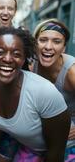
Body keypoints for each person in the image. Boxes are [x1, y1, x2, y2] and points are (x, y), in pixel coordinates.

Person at [0, 27, 71, 161]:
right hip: (23, 141)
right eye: (0, 52)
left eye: (16, 54)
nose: (7, 59)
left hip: (62, 149)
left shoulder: (43, 91)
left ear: (24, 59)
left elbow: (56, 153)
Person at [33, 19, 75, 156]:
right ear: (35, 44)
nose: (48, 46)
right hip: (39, 128)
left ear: (63, 48)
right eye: (43, 40)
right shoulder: (30, 66)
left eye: (56, 42)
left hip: (68, 133)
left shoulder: (71, 72)